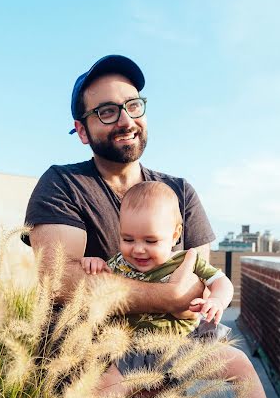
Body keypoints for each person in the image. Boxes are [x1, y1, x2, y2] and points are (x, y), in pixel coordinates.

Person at [81, 181, 280, 398]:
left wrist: (217, 301)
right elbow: (100, 280)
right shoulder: (118, 263)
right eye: (127, 239)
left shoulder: (186, 259)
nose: (137, 249)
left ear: (175, 235)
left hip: (185, 346)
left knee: (237, 361)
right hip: (134, 354)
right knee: (102, 391)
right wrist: (92, 262)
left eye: (151, 240)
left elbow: (222, 282)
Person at [24, 54, 213, 316]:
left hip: (176, 347)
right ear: (82, 131)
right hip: (89, 352)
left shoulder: (180, 192)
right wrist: (168, 297)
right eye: (107, 112)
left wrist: (178, 296)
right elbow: (61, 281)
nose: (126, 121)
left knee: (238, 360)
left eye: (133, 106)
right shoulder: (62, 185)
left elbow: (200, 289)